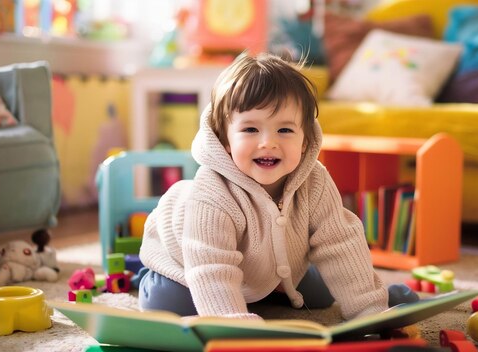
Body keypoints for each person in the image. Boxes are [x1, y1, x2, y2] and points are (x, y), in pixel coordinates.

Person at [138, 52, 388, 320]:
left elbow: (340, 243)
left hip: (266, 269)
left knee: (323, 294)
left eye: (284, 130)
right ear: (225, 141)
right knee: (169, 303)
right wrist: (232, 324)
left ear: (304, 142)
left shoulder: (316, 181)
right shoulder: (212, 192)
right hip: (187, 262)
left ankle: (268, 290)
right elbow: (210, 266)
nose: (268, 142)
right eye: (250, 130)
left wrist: (370, 309)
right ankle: (152, 280)